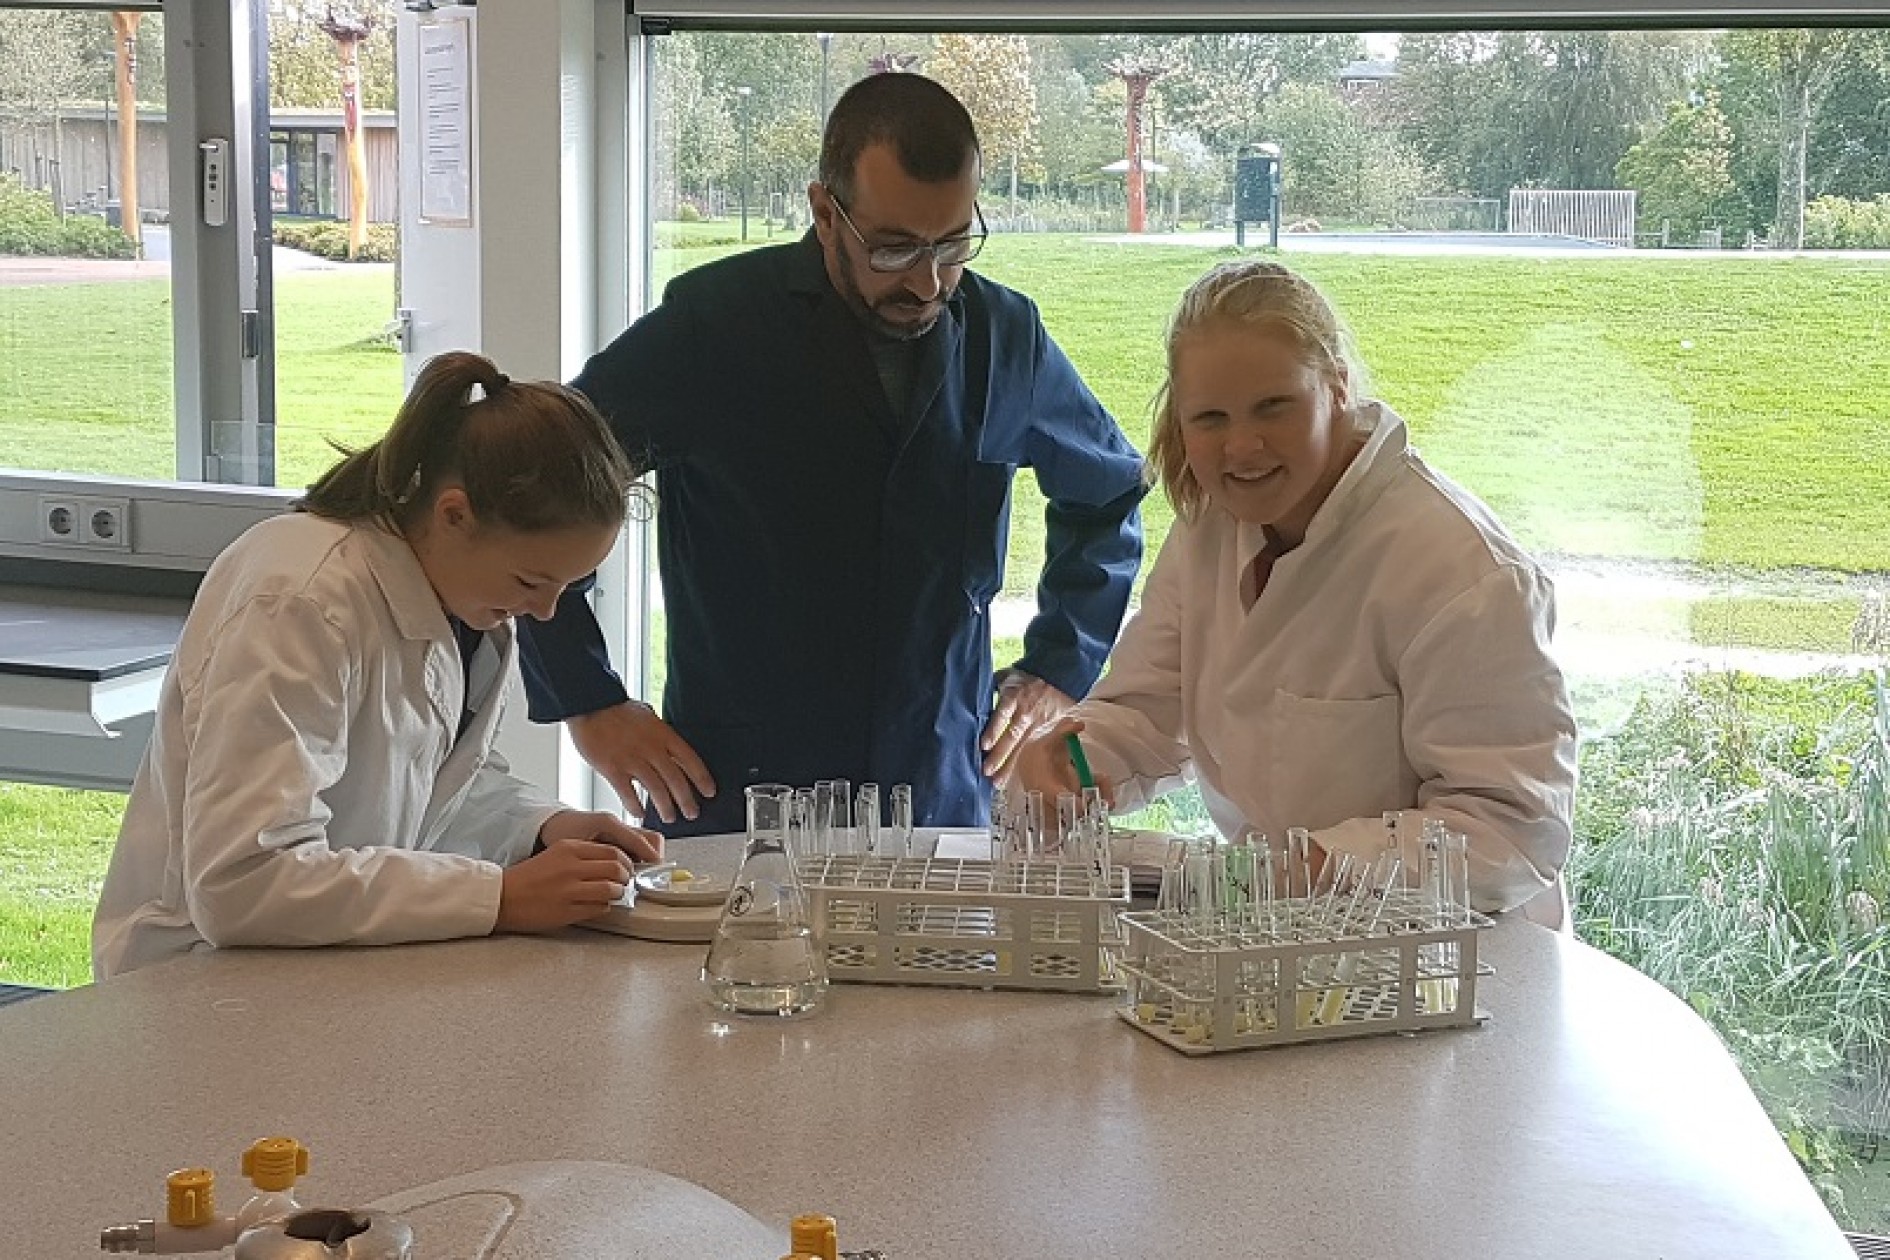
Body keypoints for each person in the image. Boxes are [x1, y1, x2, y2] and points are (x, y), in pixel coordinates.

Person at [519, 72, 1147, 837]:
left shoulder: (1004, 337)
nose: (927, 281)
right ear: (825, 212)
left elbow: (1108, 493)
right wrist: (586, 696)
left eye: (953, 244)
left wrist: (1058, 664)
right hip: (741, 796)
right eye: (893, 248)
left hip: (940, 789)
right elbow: (537, 482)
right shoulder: (714, 327)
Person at [1010, 260, 1577, 923]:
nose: (1242, 447)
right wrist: (1073, 760)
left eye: (1273, 407)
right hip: (1285, 933)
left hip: (1464, 956)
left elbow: (1513, 832)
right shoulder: (1211, 528)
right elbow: (1150, 707)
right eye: (1210, 418)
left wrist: (1311, 867)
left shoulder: (1462, 572)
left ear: (1336, 385)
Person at [93, 352, 663, 979]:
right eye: (532, 580)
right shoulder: (300, 599)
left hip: (327, 971)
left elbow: (432, 785)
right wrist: (499, 898)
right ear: (454, 514)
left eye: (567, 588)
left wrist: (542, 828)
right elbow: (244, 881)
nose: (545, 612)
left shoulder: (464, 603)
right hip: (195, 983)